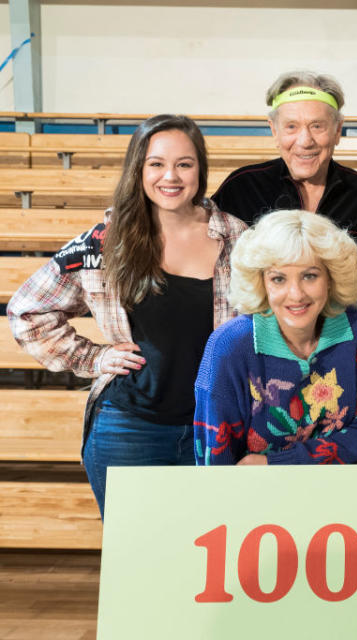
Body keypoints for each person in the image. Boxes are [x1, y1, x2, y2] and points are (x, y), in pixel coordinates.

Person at [7, 114, 247, 517]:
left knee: (208, 564)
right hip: (128, 429)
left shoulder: (240, 239)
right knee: (137, 567)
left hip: (216, 429)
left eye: (184, 164)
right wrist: (94, 357)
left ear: (200, 170)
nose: (170, 176)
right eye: (156, 163)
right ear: (138, 169)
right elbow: (28, 310)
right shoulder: (105, 241)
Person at [212, 71, 357, 357]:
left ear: (337, 130)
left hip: (343, 353)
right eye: (291, 126)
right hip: (258, 357)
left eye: (317, 126)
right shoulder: (241, 188)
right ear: (274, 130)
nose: (305, 140)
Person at [194, 209, 357, 465]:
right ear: (261, 282)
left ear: (331, 278)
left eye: (310, 276)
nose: (296, 294)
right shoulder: (229, 346)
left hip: (344, 490)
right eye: (278, 279)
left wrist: (276, 463)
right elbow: (217, 466)